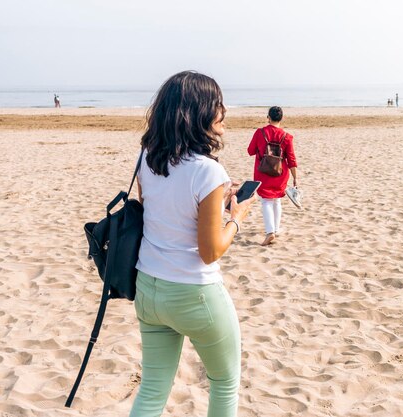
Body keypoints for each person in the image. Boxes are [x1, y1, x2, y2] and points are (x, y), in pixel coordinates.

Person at [130, 71, 255, 417]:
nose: (224, 111)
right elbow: (210, 250)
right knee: (225, 381)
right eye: (217, 104)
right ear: (197, 112)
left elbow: (162, 209)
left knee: (153, 389)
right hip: (194, 293)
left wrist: (216, 199)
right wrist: (237, 217)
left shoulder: (147, 156)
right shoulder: (208, 171)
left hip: (148, 288)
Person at [247, 106, 298, 246]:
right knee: (276, 200)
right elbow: (291, 159)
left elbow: (250, 151)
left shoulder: (260, 132)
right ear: (281, 118)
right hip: (280, 173)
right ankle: (276, 229)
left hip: (263, 173)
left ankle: (270, 232)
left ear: (268, 117)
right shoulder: (286, 136)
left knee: (266, 201)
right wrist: (295, 178)